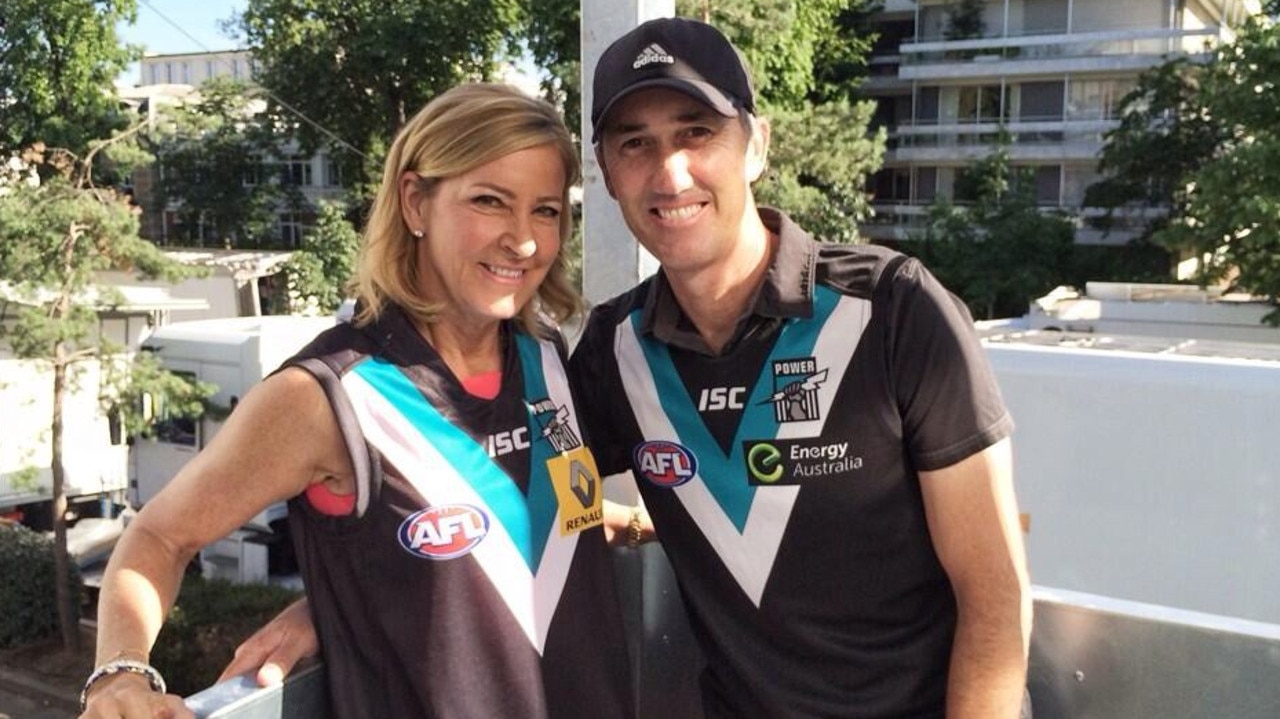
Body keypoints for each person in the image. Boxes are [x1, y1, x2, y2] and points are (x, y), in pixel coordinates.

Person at [226, 17, 1032, 718]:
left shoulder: (894, 310)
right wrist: (328, 604)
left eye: (696, 132)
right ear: (607, 177)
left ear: (754, 146)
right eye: (634, 145)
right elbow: (490, 487)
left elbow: (994, 594)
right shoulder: (613, 350)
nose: (669, 172)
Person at [79, 82, 633, 719]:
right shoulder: (326, 395)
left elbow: (520, 524)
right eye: (489, 201)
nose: (525, 240)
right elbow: (157, 537)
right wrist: (119, 674)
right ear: (415, 202)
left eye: (546, 210)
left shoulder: (544, 356)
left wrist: (633, 523)